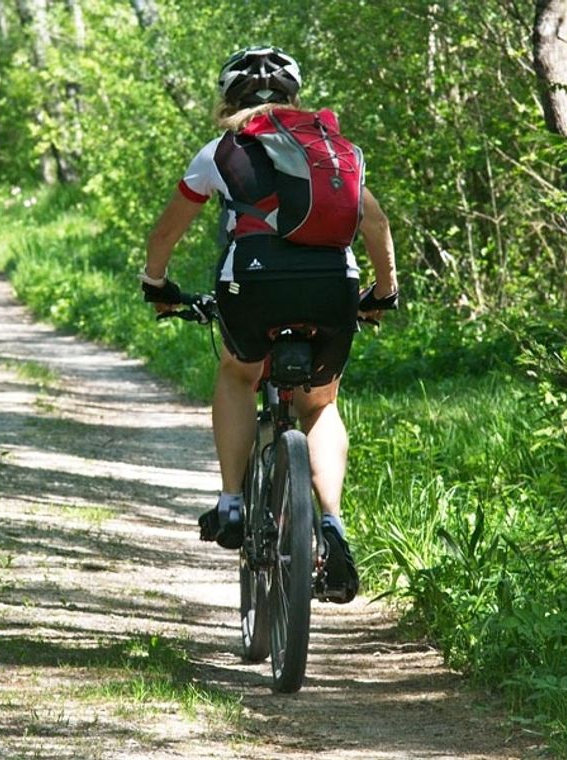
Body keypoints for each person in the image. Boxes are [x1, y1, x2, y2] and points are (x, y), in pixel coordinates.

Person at [140, 46, 398, 603]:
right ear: (293, 97)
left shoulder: (220, 152)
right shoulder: (333, 149)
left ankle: (232, 502)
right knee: (320, 405)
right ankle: (331, 523)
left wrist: (156, 286)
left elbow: (165, 235)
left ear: (228, 100)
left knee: (238, 373)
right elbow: (374, 222)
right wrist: (383, 293)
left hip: (252, 288)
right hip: (334, 287)